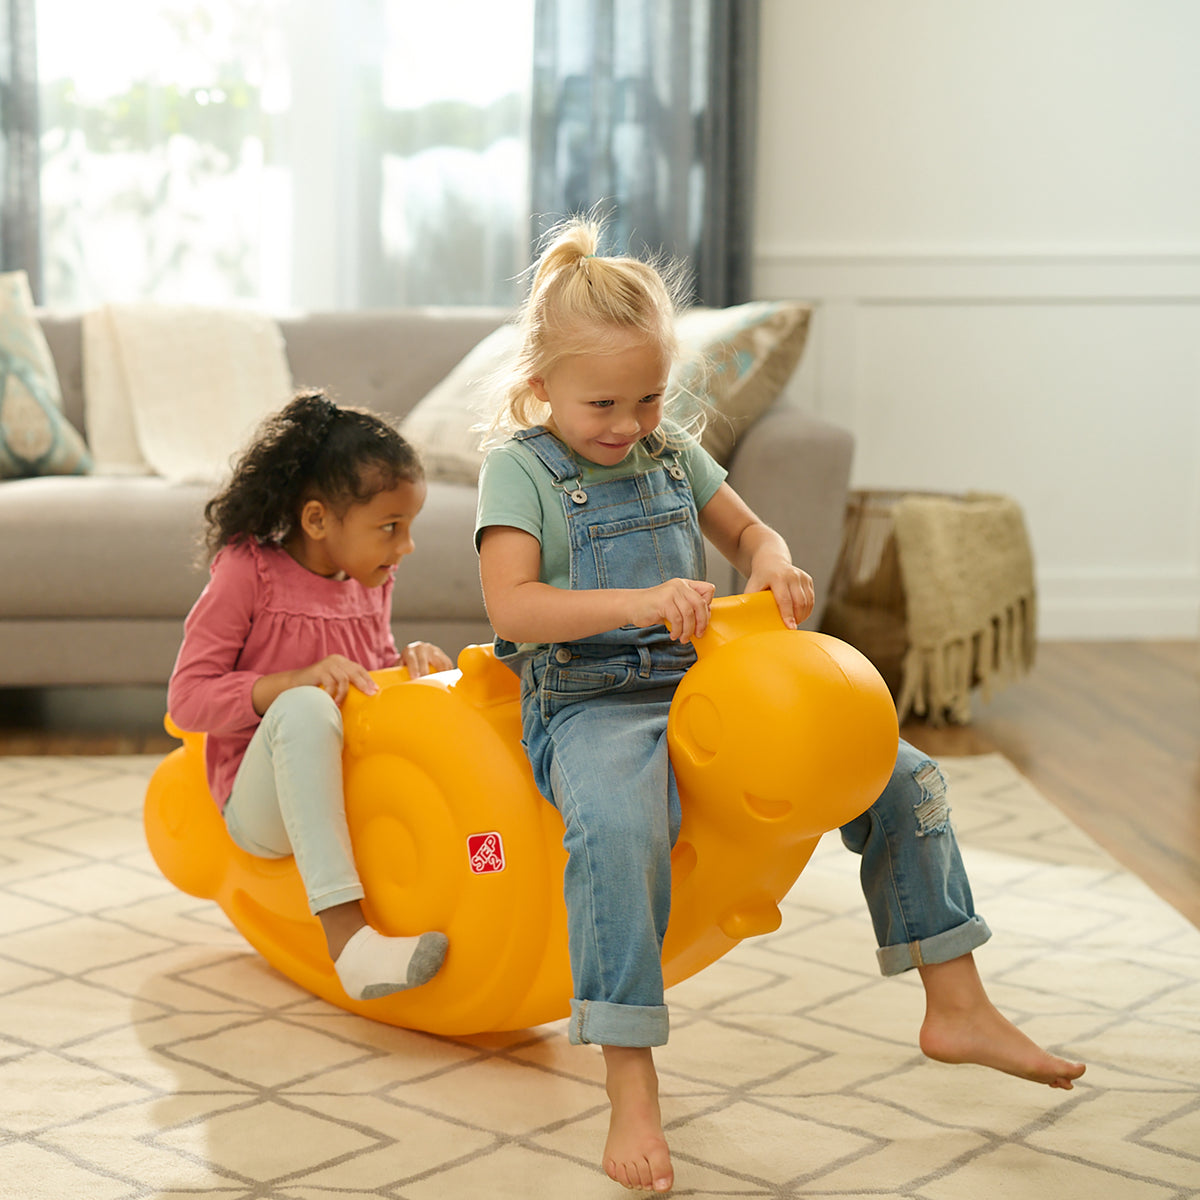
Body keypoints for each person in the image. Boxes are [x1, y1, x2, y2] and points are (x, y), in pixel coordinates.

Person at [475, 219, 1085, 1193]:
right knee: (619, 828)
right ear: (542, 384)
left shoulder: (669, 453)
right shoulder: (521, 470)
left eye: (648, 397)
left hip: (708, 680)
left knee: (897, 771)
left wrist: (772, 560)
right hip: (592, 701)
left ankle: (956, 1002)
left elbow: (752, 531)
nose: (628, 424)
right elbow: (513, 607)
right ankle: (629, 1077)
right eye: (603, 404)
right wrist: (637, 602)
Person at [169, 391, 454, 1003]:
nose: (406, 547)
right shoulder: (247, 573)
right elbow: (188, 698)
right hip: (259, 803)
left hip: (344, 785)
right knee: (304, 708)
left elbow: (364, 678)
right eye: (390, 528)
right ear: (318, 520)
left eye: (409, 527)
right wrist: (290, 684)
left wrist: (405, 669)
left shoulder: (370, 580)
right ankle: (348, 942)